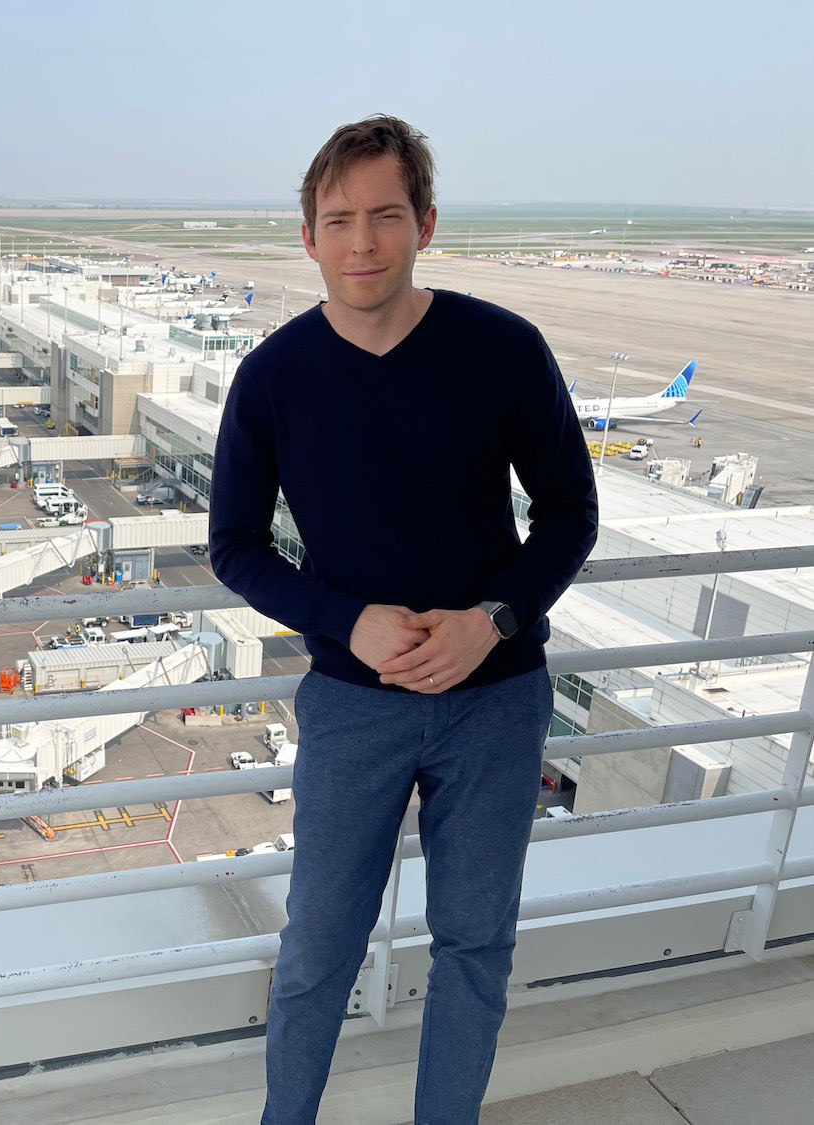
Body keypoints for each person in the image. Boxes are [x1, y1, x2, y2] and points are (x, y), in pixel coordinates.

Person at [208, 115, 598, 1124]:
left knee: (475, 947)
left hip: (497, 705)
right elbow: (235, 545)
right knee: (317, 955)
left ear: (425, 222)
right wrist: (350, 621)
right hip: (352, 704)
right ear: (308, 238)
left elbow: (570, 513)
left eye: (387, 216)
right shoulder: (274, 377)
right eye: (338, 221)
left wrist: (495, 618)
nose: (364, 243)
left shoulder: (504, 350)